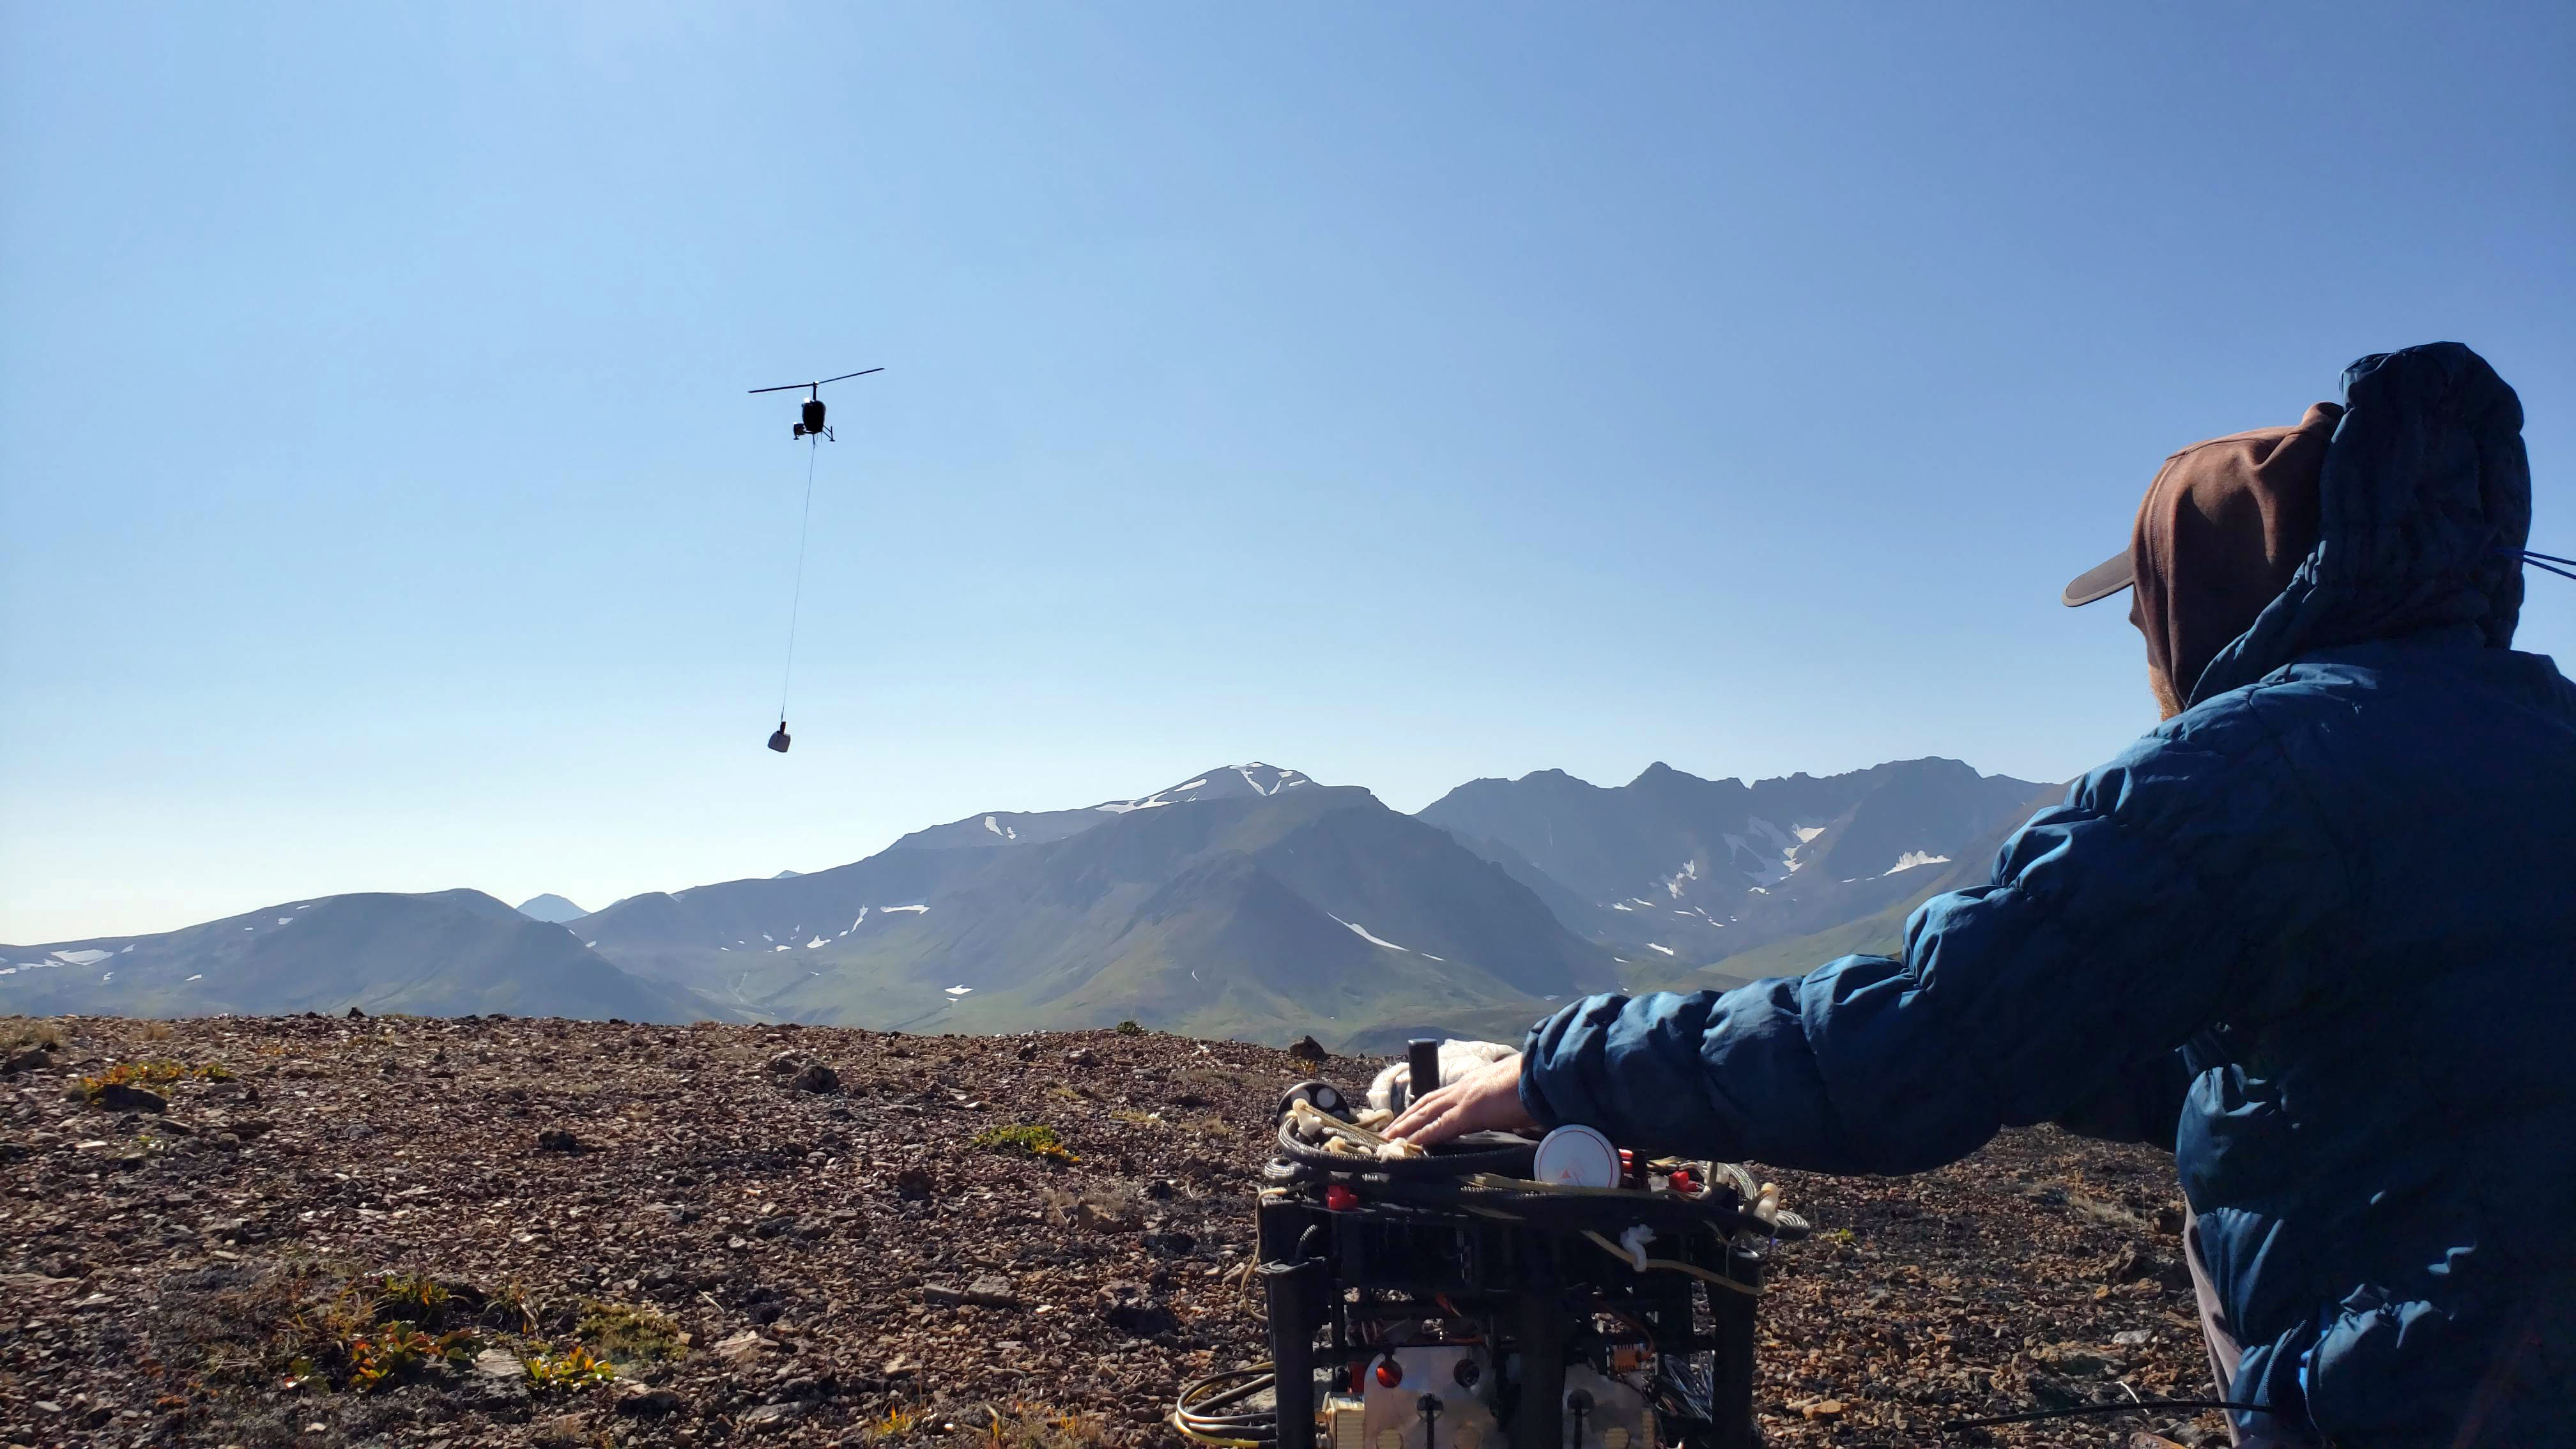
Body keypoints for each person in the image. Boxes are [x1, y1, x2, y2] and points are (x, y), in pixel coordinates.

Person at [1387, 342, 2574, 1448]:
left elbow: (1913, 1043)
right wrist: (2054, 1031)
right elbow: (2369, 1043)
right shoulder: (2532, 726)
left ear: (2206, 597)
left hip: (2444, 1384)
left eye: (2144, 614)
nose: (2144, 652)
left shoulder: (2248, 775)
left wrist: (1564, 1070)